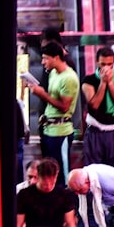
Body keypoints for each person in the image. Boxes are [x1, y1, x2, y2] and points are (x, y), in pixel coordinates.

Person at [28, 41, 79, 187]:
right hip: (48, 130)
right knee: (47, 172)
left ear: (56, 57)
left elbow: (64, 107)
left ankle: (65, 204)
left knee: (60, 175)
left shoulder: (69, 78)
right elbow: (53, 98)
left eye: (45, 58)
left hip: (61, 132)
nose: (43, 62)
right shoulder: (53, 74)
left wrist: (42, 94)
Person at [81, 46, 114, 170]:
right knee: (93, 170)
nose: (106, 68)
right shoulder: (89, 80)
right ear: (97, 62)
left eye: (109, 64)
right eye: (103, 64)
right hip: (95, 130)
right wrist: (103, 83)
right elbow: (94, 105)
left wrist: (110, 83)